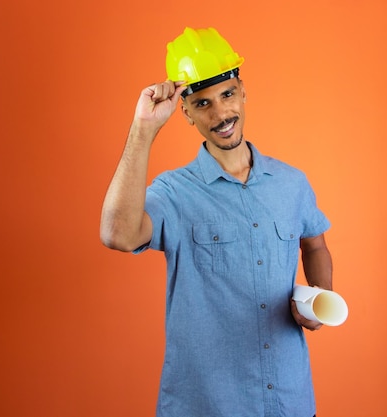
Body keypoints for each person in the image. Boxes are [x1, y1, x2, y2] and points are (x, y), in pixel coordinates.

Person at [100, 27, 332, 417]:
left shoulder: (292, 183)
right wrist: (143, 128)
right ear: (186, 113)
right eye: (203, 103)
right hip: (206, 405)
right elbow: (117, 235)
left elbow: (315, 244)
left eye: (227, 94)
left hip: (289, 401)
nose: (221, 113)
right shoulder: (173, 192)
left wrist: (321, 298)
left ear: (243, 91)